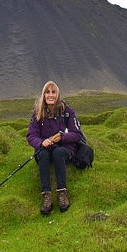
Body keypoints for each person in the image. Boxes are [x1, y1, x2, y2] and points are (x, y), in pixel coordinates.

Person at [26, 80, 83, 215]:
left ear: (58, 94)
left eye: (53, 92)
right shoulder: (37, 113)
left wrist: (61, 138)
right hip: (44, 149)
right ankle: (46, 196)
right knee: (44, 155)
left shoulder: (68, 112)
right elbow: (31, 135)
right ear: (43, 95)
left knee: (58, 152)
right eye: (47, 92)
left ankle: (62, 193)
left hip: (64, 150)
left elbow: (77, 134)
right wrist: (41, 143)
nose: (50, 95)